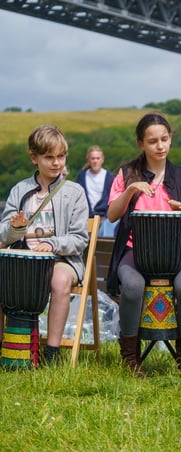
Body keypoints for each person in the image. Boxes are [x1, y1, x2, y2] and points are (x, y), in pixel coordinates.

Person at [106, 113, 181, 378]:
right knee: (133, 285)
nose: (160, 146)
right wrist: (130, 191)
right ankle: (130, 357)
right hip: (133, 252)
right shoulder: (127, 173)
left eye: (164, 139)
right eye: (152, 141)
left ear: (170, 138)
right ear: (141, 143)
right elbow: (112, 215)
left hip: (175, 255)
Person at [0, 125, 89, 363]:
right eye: (49, 157)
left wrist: (53, 244)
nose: (56, 163)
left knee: (59, 281)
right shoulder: (20, 190)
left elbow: (80, 239)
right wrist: (15, 228)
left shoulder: (75, 192)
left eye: (60, 156)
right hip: (24, 259)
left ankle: (52, 352)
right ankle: (4, 347)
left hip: (62, 260)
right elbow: (3, 235)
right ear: (34, 158)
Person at [75, 145, 117, 237]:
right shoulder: (81, 176)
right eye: (93, 158)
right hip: (86, 219)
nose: (95, 161)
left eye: (98, 158)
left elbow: (114, 199)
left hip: (105, 219)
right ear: (88, 159)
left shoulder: (110, 177)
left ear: (102, 159)